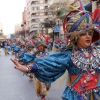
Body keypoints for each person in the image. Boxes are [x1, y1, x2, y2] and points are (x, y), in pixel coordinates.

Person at [11, 10, 100, 100]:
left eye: (90, 33)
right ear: (75, 36)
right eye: (83, 34)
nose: (88, 36)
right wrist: (27, 68)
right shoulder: (68, 55)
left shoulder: (98, 52)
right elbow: (49, 65)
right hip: (78, 96)